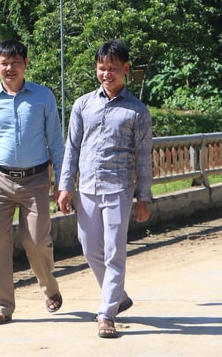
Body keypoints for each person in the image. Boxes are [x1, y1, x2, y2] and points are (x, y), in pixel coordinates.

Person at [57, 40, 153, 339]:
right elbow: (71, 148)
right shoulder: (83, 104)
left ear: (125, 69)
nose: (106, 74)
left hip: (119, 189)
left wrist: (143, 197)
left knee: (114, 252)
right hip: (86, 188)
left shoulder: (137, 111)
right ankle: (119, 295)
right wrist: (64, 186)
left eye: (113, 68)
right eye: (102, 68)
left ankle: (106, 313)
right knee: (89, 247)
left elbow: (143, 157)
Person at [0, 39, 66, 325]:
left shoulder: (43, 96)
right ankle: (1, 305)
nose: (10, 68)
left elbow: (56, 143)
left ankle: (49, 288)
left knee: (36, 239)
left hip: (35, 180)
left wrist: (62, 181)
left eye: (16, 62)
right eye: (4, 63)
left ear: (25, 64)